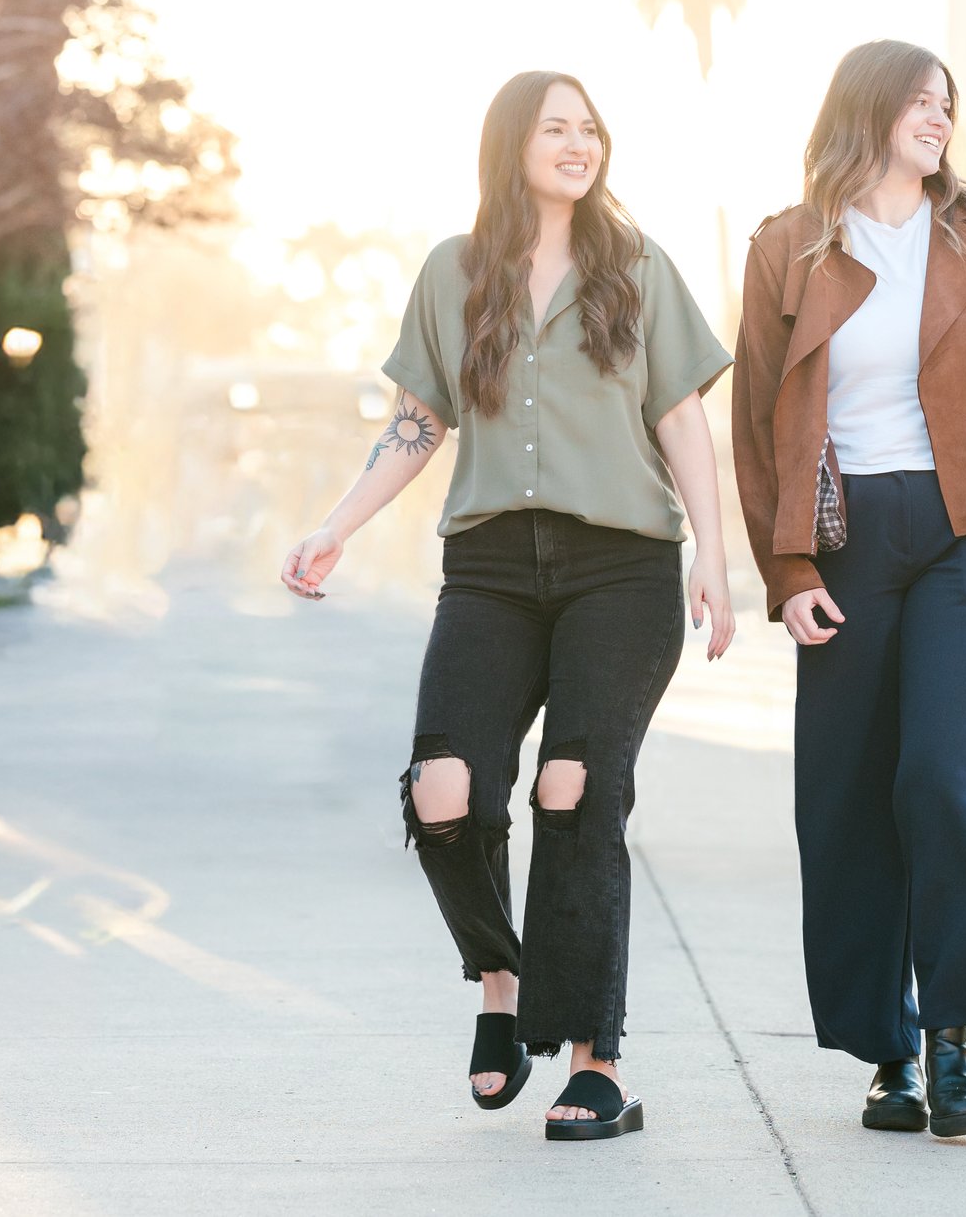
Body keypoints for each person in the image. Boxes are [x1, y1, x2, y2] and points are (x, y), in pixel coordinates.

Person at [279, 69, 734, 1143]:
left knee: (574, 787)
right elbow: (416, 422)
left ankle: (596, 1061)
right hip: (488, 564)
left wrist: (715, 554)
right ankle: (501, 980)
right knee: (443, 787)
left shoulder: (637, 267)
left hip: (620, 565)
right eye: (555, 127)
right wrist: (337, 524)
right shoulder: (455, 271)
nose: (579, 144)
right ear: (511, 145)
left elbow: (680, 417)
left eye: (591, 129)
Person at [732, 38, 966, 1139]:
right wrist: (785, 569)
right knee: (847, 796)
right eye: (921, 101)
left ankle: (953, 1038)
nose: (939, 119)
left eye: (947, 104)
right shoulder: (788, 246)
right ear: (869, 110)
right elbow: (755, 423)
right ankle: (889, 1048)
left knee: (939, 773)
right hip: (844, 544)